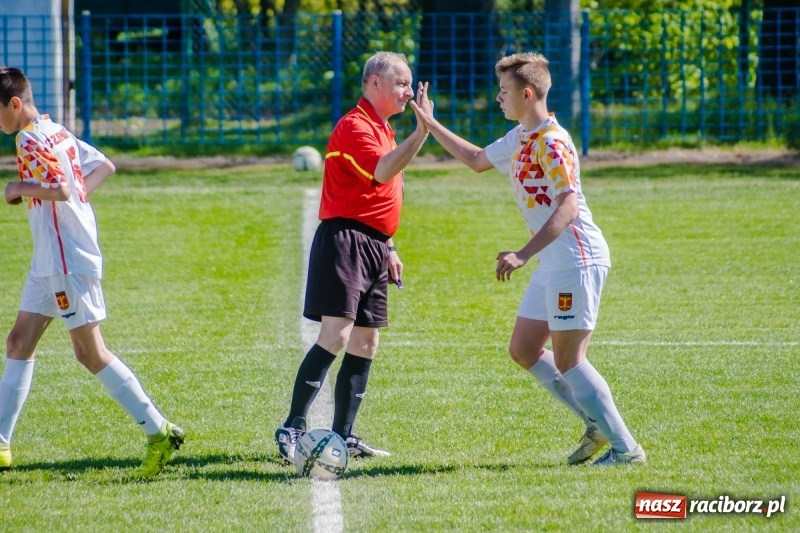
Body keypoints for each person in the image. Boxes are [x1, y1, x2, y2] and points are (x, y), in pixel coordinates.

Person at [410, 52, 645, 466]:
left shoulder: (552, 142)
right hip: (553, 262)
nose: (498, 98)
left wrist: (522, 254)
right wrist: (429, 124)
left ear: (527, 92)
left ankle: (627, 450)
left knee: (571, 358)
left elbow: (569, 206)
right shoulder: (521, 136)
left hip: (576, 259)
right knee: (523, 349)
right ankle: (596, 424)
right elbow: (476, 160)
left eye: (504, 91)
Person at [0, 66, 185, 477]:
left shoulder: (29, 137)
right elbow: (104, 167)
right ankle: (0, 444)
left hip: (65, 260)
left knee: (89, 352)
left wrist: (19, 189)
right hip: (50, 258)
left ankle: (159, 431)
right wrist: (74, 209)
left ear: (15, 104)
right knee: (18, 341)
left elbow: (63, 189)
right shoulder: (56, 130)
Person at [275, 52, 431, 461]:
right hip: (345, 240)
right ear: (374, 83)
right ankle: (291, 428)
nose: (408, 92)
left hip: (375, 245)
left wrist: (390, 245)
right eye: (401, 83)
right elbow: (381, 173)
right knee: (337, 334)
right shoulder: (355, 126)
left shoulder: (384, 129)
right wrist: (422, 133)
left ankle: (343, 436)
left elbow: (383, 193)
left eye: (410, 84)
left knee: (366, 340)